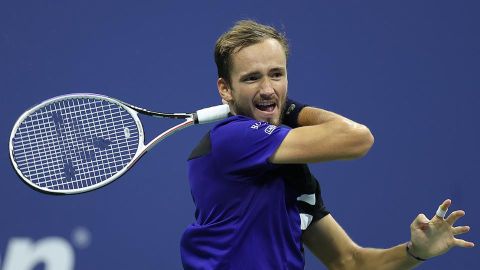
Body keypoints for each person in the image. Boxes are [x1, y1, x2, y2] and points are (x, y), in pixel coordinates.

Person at [180, 20, 474, 269]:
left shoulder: (291, 174)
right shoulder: (232, 138)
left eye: (276, 74)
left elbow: (350, 261)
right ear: (225, 89)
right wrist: (290, 109)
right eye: (252, 78)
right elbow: (357, 138)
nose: (268, 89)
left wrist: (416, 251)